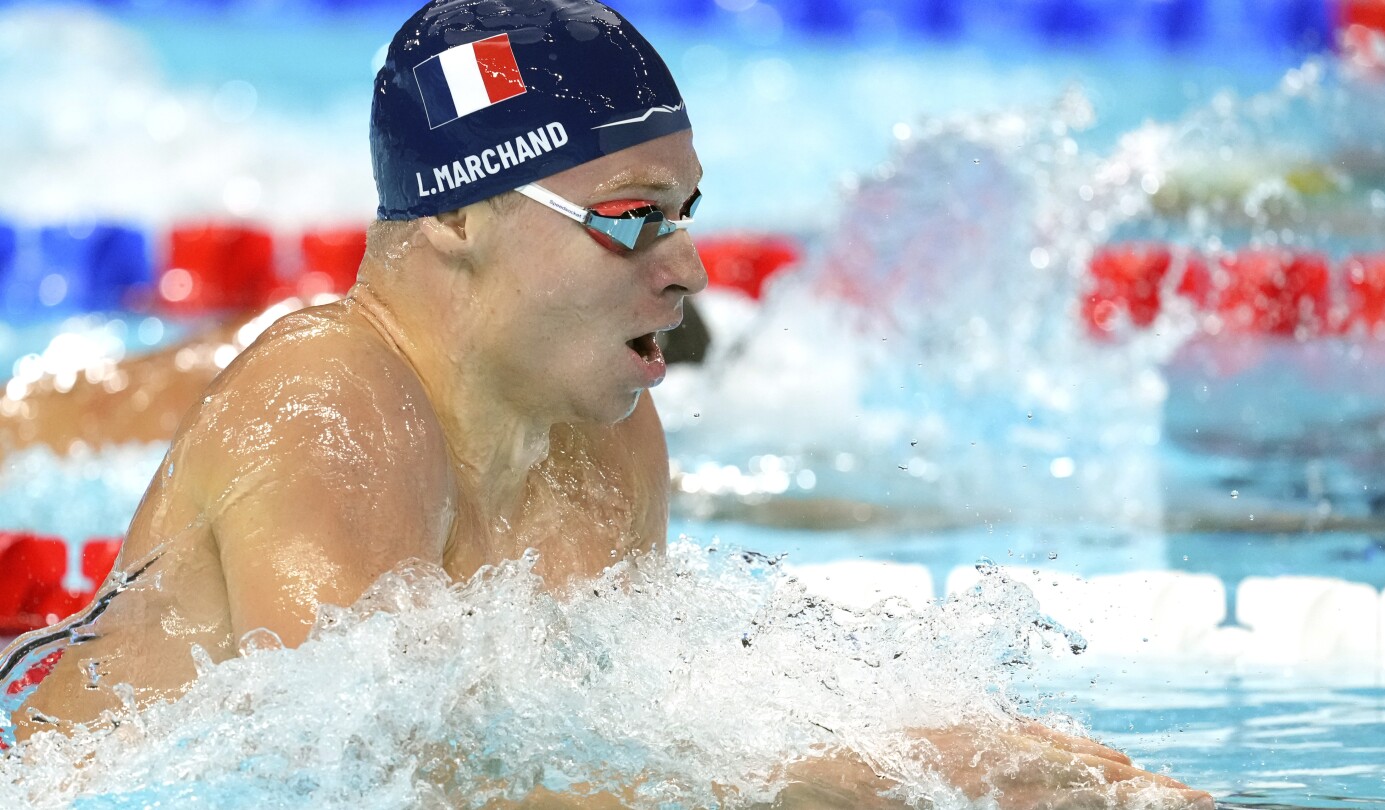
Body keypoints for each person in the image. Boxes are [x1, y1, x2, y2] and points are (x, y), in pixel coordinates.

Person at [0, 1, 1212, 805]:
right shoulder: (328, 400)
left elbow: (596, 741)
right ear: (460, 220)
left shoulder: (603, 439)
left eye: (686, 213)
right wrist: (821, 783)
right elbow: (374, 775)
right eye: (632, 217)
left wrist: (1023, 769)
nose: (686, 269)